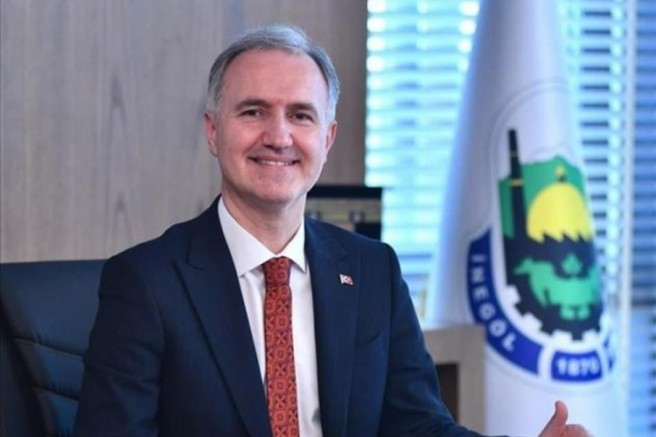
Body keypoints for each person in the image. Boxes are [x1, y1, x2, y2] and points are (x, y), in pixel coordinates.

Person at [74, 24, 589, 437]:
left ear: (327, 137)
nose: (279, 136)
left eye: (301, 115)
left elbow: (415, 425)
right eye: (253, 111)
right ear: (214, 131)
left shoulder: (373, 270)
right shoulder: (146, 282)